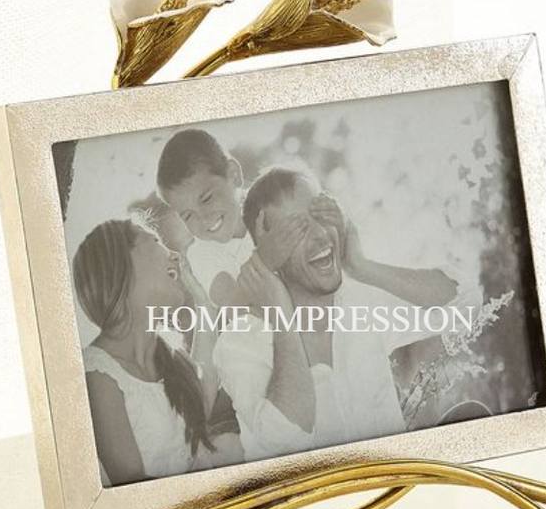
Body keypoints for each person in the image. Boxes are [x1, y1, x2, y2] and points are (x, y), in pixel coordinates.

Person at [214, 166, 464, 461]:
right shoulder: (240, 342)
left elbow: (463, 302)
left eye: (322, 216)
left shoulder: (360, 304)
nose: (321, 236)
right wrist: (280, 313)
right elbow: (284, 438)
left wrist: (360, 265)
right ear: (270, 255)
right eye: (297, 230)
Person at [72, 218, 240, 485]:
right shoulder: (98, 375)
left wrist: (202, 301)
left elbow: (205, 392)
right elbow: (135, 488)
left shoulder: (170, 361)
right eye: (155, 241)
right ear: (123, 265)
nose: (175, 256)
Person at [155, 128, 255, 308]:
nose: (203, 219)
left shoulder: (268, 202)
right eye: (188, 215)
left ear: (233, 175)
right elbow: (237, 306)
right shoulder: (201, 254)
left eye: (207, 199)